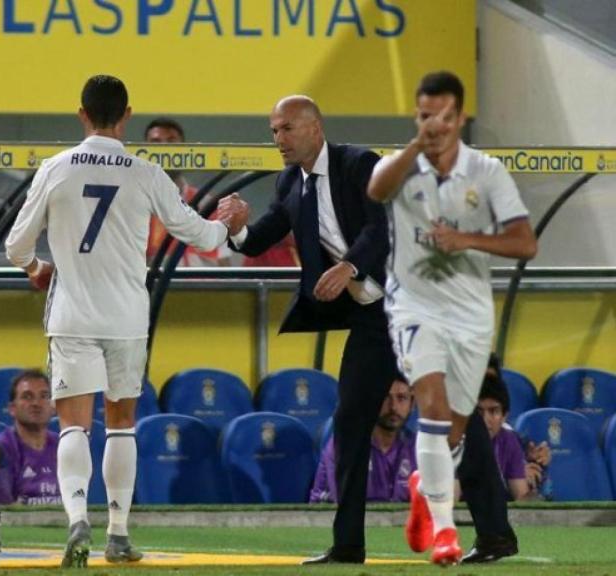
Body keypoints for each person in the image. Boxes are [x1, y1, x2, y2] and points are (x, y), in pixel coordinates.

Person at [5, 74, 230, 568]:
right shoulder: (145, 172)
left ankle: (76, 520)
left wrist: (37, 267)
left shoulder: (56, 169)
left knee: (73, 427)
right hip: (127, 315)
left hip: (72, 313)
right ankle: (119, 533)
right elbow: (198, 233)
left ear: (81, 113)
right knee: (122, 424)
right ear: (126, 115)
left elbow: (16, 244)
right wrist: (227, 219)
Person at [217, 95, 398, 565]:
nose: (278, 138)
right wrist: (237, 230)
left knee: (454, 412)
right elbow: (261, 237)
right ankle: (348, 545)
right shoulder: (290, 182)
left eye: (286, 129)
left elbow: (383, 228)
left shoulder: (360, 164)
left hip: (413, 306)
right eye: (274, 130)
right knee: (351, 420)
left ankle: (496, 528)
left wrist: (350, 267)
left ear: (315, 128)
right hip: (373, 320)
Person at [367, 70, 538, 565]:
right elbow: (376, 190)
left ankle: (426, 488)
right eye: (424, 116)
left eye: (442, 116)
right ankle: (445, 532)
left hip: (470, 316)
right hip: (414, 306)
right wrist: (411, 148)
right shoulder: (401, 168)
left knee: (454, 432)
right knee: (434, 409)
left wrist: (467, 240)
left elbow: (525, 242)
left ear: (459, 117)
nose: (433, 126)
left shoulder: (486, 172)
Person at [310, 379, 416, 504]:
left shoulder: (416, 447)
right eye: (385, 397)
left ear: (412, 403)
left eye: (402, 398)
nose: (393, 407)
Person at [143, 117, 231, 267]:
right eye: (156, 143)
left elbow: (224, 264)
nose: (165, 150)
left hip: (198, 289)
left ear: (184, 150)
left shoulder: (207, 204)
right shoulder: (136, 203)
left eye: (171, 142)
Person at [475, 369, 551, 501]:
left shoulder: (509, 440)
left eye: (493, 411)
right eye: (478, 412)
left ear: (504, 416)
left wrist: (534, 492)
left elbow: (521, 497)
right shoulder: (454, 440)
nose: (485, 420)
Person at [0, 369, 61, 505]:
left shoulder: (63, 445)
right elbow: (4, 507)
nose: (36, 403)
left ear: (53, 407)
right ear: (12, 408)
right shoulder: (1, 448)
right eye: (27, 396)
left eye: (44, 396)